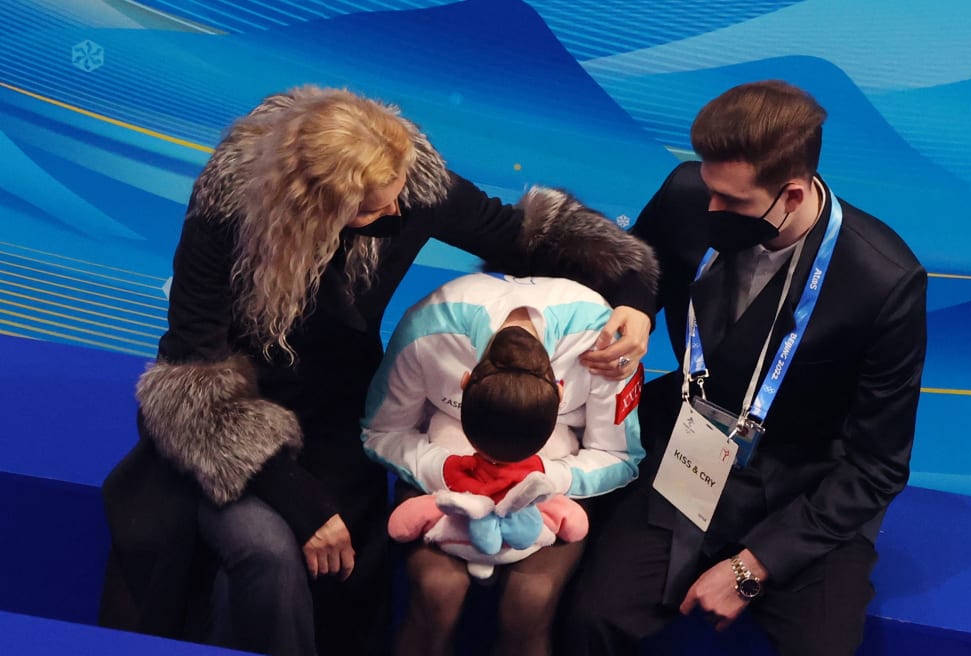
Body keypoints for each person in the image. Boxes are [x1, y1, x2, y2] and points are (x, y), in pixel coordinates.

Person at [97, 85, 657, 656]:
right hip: (234, 416)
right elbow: (193, 371)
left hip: (341, 405)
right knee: (269, 549)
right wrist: (299, 502)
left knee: (348, 571)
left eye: (396, 198)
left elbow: (528, 236)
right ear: (311, 209)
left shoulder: (407, 181)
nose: (394, 212)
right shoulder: (230, 207)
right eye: (371, 209)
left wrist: (634, 297)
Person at [563, 80, 927, 656]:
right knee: (592, 619)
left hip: (804, 486)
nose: (710, 211)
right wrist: (635, 304)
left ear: (791, 193)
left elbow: (878, 467)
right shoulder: (693, 192)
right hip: (689, 449)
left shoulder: (883, 281)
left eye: (731, 203)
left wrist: (753, 567)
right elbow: (640, 263)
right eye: (709, 189)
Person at [361, 272, 647, 656]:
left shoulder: (605, 344)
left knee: (531, 598)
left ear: (560, 394)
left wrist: (545, 478)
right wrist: (446, 469)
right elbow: (381, 432)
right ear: (463, 383)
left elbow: (619, 455)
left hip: (550, 487)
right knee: (436, 591)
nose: (496, 465)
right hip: (443, 483)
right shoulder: (427, 331)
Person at [387, 363, 590, 580]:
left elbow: (403, 525)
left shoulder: (539, 468)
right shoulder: (455, 466)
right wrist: (441, 469)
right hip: (458, 492)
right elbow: (383, 433)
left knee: (531, 593)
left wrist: (548, 475)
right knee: (439, 585)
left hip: (532, 496)